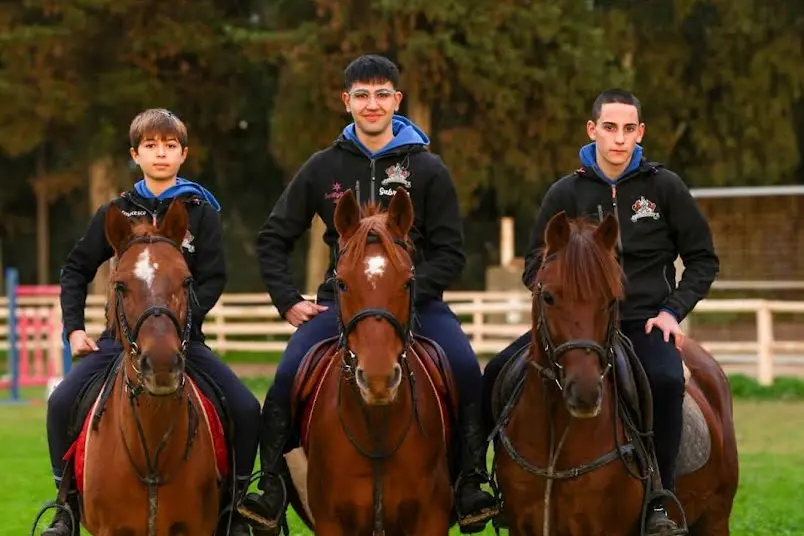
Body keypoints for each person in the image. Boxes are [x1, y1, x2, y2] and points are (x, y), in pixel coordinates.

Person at [238, 54, 500, 534]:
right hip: (342, 305)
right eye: (362, 95)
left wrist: (406, 291)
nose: (372, 104)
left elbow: (451, 253)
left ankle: (470, 482)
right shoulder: (323, 167)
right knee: (286, 376)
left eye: (381, 94)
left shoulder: (428, 168)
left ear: (397, 100)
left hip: (415, 303)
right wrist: (287, 299)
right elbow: (274, 237)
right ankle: (270, 487)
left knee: (466, 369)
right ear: (347, 101)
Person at [483, 89, 719, 535]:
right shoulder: (565, 191)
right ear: (593, 130)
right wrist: (561, 294)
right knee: (495, 371)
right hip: (576, 324)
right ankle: (484, 484)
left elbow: (703, 260)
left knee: (666, 380)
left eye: (629, 129)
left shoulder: (664, 187)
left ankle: (660, 498)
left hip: (642, 321)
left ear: (640, 132)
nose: (619, 139)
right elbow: (534, 263)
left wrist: (671, 312)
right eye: (610, 128)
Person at [43, 109, 259, 536]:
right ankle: (65, 507)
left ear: (183, 154)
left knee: (246, 407)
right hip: (120, 341)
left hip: (184, 340)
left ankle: (234, 508)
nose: (161, 153)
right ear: (135, 154)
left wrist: (179, 324)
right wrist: (74, 328)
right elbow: (76, 269)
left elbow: (213, 277)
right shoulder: (116, 211)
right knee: (61, 401)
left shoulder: (201, 211)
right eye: (151, 146)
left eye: (170, 146)